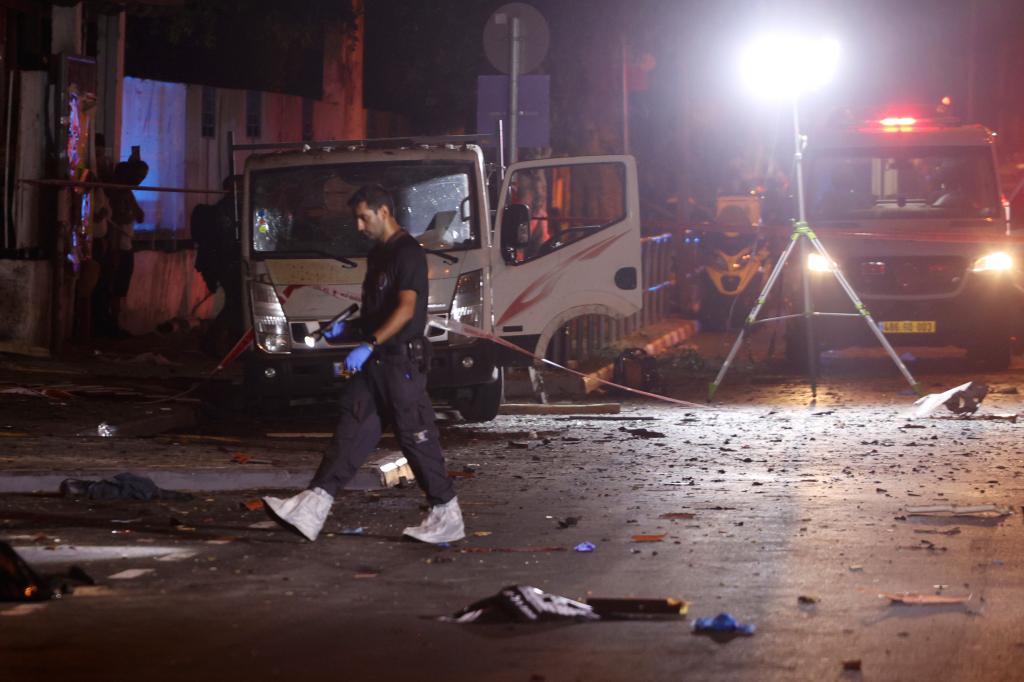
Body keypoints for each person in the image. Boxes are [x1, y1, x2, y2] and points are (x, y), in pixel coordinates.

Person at [263, 184, 464, 544]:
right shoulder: (379, 255)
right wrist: (348, 329)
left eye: (363, 217)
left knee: (415, 435)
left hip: (401, 361)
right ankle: (313, 506)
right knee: (352, 429)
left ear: (383, 212)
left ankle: (446, 511)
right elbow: (379, 312)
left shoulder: (407, 254)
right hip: (377, 361)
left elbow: (405, 309)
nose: (358, 225)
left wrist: (369, 342)